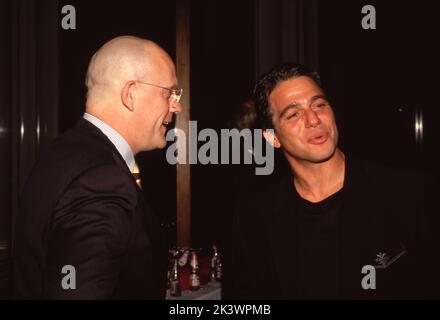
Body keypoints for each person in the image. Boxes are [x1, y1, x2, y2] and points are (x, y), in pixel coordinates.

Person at [226, 63, 439, 299]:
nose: (314, 119)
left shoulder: (406, 193)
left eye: (319, 104)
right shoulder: (254, 216)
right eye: (294, 113)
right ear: (273, 138)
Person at [13, 36, 182, 299]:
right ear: (131, 94)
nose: (177, 105)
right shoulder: (101, 180)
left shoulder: (63, 151)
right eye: (169, 93)